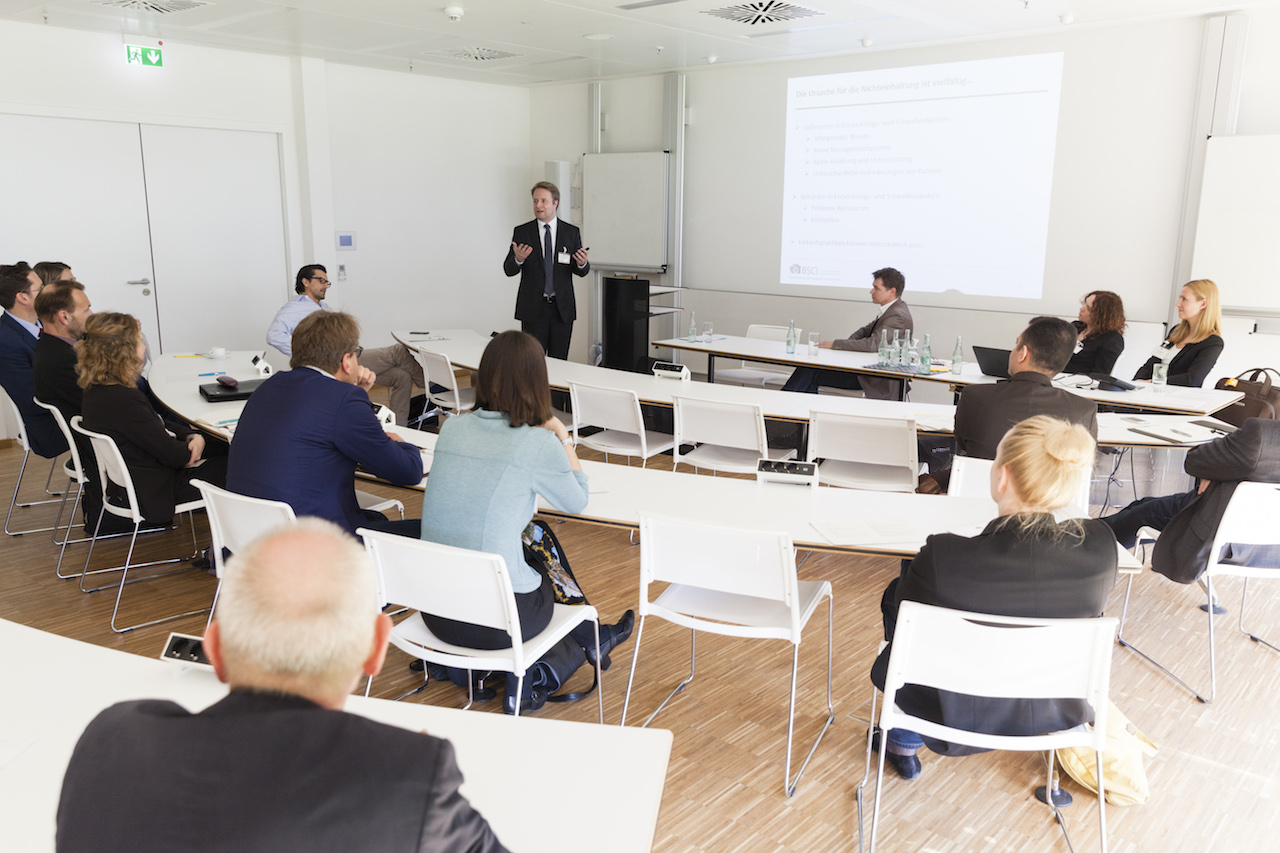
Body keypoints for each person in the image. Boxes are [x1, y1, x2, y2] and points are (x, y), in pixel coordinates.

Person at [56, 518, 508, 853]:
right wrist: (404, 776)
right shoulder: (410, 776)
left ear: (215, 650)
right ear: (375, 649)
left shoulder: (113, 738)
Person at [870, 416, 1119, 780]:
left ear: (1002, 477)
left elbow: (912, 616)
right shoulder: (1101, 548)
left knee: (899, 600)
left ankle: (903, 741)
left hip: (950, 715)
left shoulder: (944, 555)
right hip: (1052, 713)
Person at [419, 331, 633, 711]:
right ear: (537, 382)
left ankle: (593, 637)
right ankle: (582, 644)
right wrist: (563, 436)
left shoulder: (451, 428)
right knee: (544, 562)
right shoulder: (537, 442)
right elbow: (578, 500)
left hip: (438, 613)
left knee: (534, 535)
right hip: (497, 624)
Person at [231, 310, 424, 535]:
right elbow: (408, 471)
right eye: (356, 353)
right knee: (433, 532)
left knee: (375, 518)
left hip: (249, 537)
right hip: (311, 544)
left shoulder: (269, 386)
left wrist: (354, 396)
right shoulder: (344, 400)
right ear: (346, 362)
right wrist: (401, 443)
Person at [78, 313, 227, 526]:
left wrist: (192, 435)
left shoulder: (97, 391)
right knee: (239, 462)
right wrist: (197, 442)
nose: (144, 348)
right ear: (124, 351)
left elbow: (158, 423)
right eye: (139, 342)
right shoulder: (124, 400)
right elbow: (177, 456)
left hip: (138, 479)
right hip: (156, 490)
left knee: (220, 443)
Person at [1103, 417, 1280, 583]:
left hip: (1212, 533)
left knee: (1140, 515)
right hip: (1267, 551)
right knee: (1143, 505)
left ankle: (1089, 545)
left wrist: (1213, 471)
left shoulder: (1261, 434)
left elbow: (1195, 460)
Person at [266, 263, 425, 426]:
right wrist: (310, 355)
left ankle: (398, 428)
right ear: (305, 282)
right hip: (337, 363)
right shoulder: (293, 308)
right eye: (321, 281)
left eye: (327, 282)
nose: (325, 286)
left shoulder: (325, 308)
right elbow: (273, 336)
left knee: (402, 376)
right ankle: (431, 386)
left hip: (350, 355)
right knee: (398, 351)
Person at [952, 316, 1098, 461]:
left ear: (1023, 354)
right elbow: (1083, 461)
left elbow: (963, 444)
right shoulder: (1084, 410)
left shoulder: (975, 396)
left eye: (1017, 344)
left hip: (982, 475)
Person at [32, 281, 109, 530]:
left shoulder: (55, 347)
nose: (91, 315)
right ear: (64, 317)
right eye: (86, 309)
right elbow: (108, 405)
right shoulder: (61, 360)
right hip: (104, 446)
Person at [780, 267, 912, 400]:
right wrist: (848, 343)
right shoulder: (893, 309)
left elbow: (872, 344)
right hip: (867, 371)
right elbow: (864, 331)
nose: (871, 291)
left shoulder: (896, 315)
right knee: (810, 369)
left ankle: (783, 404)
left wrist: (835, 344)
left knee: (810, 370)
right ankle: (794, 408)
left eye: (876, 288)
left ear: (892, 292)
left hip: (876, 380)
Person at [502, 181, 589, 360]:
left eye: (543, 201)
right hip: (533, 309)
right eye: (535, 201)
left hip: (561, 309)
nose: (538, 205)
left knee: (560, 361)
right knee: (532, 362)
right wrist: (518, 259)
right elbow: (508, 269)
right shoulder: (523, 232)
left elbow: (581, 270)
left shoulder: (571, 232)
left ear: (555, 203)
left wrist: (582, 263)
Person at [0, 262, 68, 458]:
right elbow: (34, 401)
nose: (49, 291)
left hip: (72, 405)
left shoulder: (46, 319)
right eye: (42, 288)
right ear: (23, 298)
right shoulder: (5, 342)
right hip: (51, 425)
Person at [1133, 279, 1223, 388]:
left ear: (1203, 303)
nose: (1178, 304)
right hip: (1153, 392)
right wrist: (1135, 383)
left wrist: (1152, 382)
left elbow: (1192, 379)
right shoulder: (1175, 331)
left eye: (1184, 299)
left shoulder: (1213, 342)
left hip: (1178, 396)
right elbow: (1150, 365)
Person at [1065, 290, 1126, 376]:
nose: (1081, 309)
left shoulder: (1112, 340)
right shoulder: (1075, 327)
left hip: (1078, 381)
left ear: (1102, 315)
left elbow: (1100, 374)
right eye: (1084, 304)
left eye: (1088, 308)